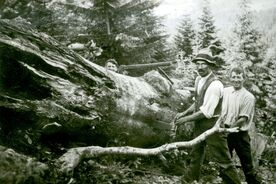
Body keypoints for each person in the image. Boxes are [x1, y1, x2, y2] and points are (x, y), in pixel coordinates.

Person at [172, 49, 241, 184]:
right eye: (197, 63)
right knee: (196, 154)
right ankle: (189, 179)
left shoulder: (215, 85)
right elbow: (198, 102)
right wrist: (184, 113)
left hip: (213, 126)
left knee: (223, 160)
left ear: (210, 65)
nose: (200, 67)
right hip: (200, 124)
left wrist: (184, 120)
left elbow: (206, 112)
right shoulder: (199, 80)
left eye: (203, 64)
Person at [219, 67, 261, 184]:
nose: (236, 79)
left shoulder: (248, 96)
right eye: (233, 77)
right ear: (230, 78)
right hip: (225, 129)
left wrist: (229, 130)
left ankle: (252, 182)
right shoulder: (225, 91)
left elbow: (243, 118)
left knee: (247, 163)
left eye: (239, 77)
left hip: (239, 134)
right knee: (225, 161)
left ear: (244, 79)